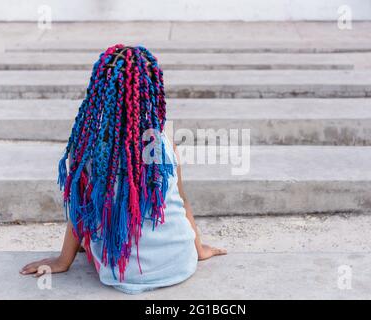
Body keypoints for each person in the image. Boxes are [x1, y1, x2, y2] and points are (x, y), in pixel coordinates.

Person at [20, 44, 226, 294]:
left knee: (93, 218)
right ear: (151, 91)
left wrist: (63, 261)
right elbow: (182, 201)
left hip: (122, 273)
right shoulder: (162, 143)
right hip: (181, 262)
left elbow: (80, 215)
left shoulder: (87, 152)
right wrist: (199, 249)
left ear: (99, 93)